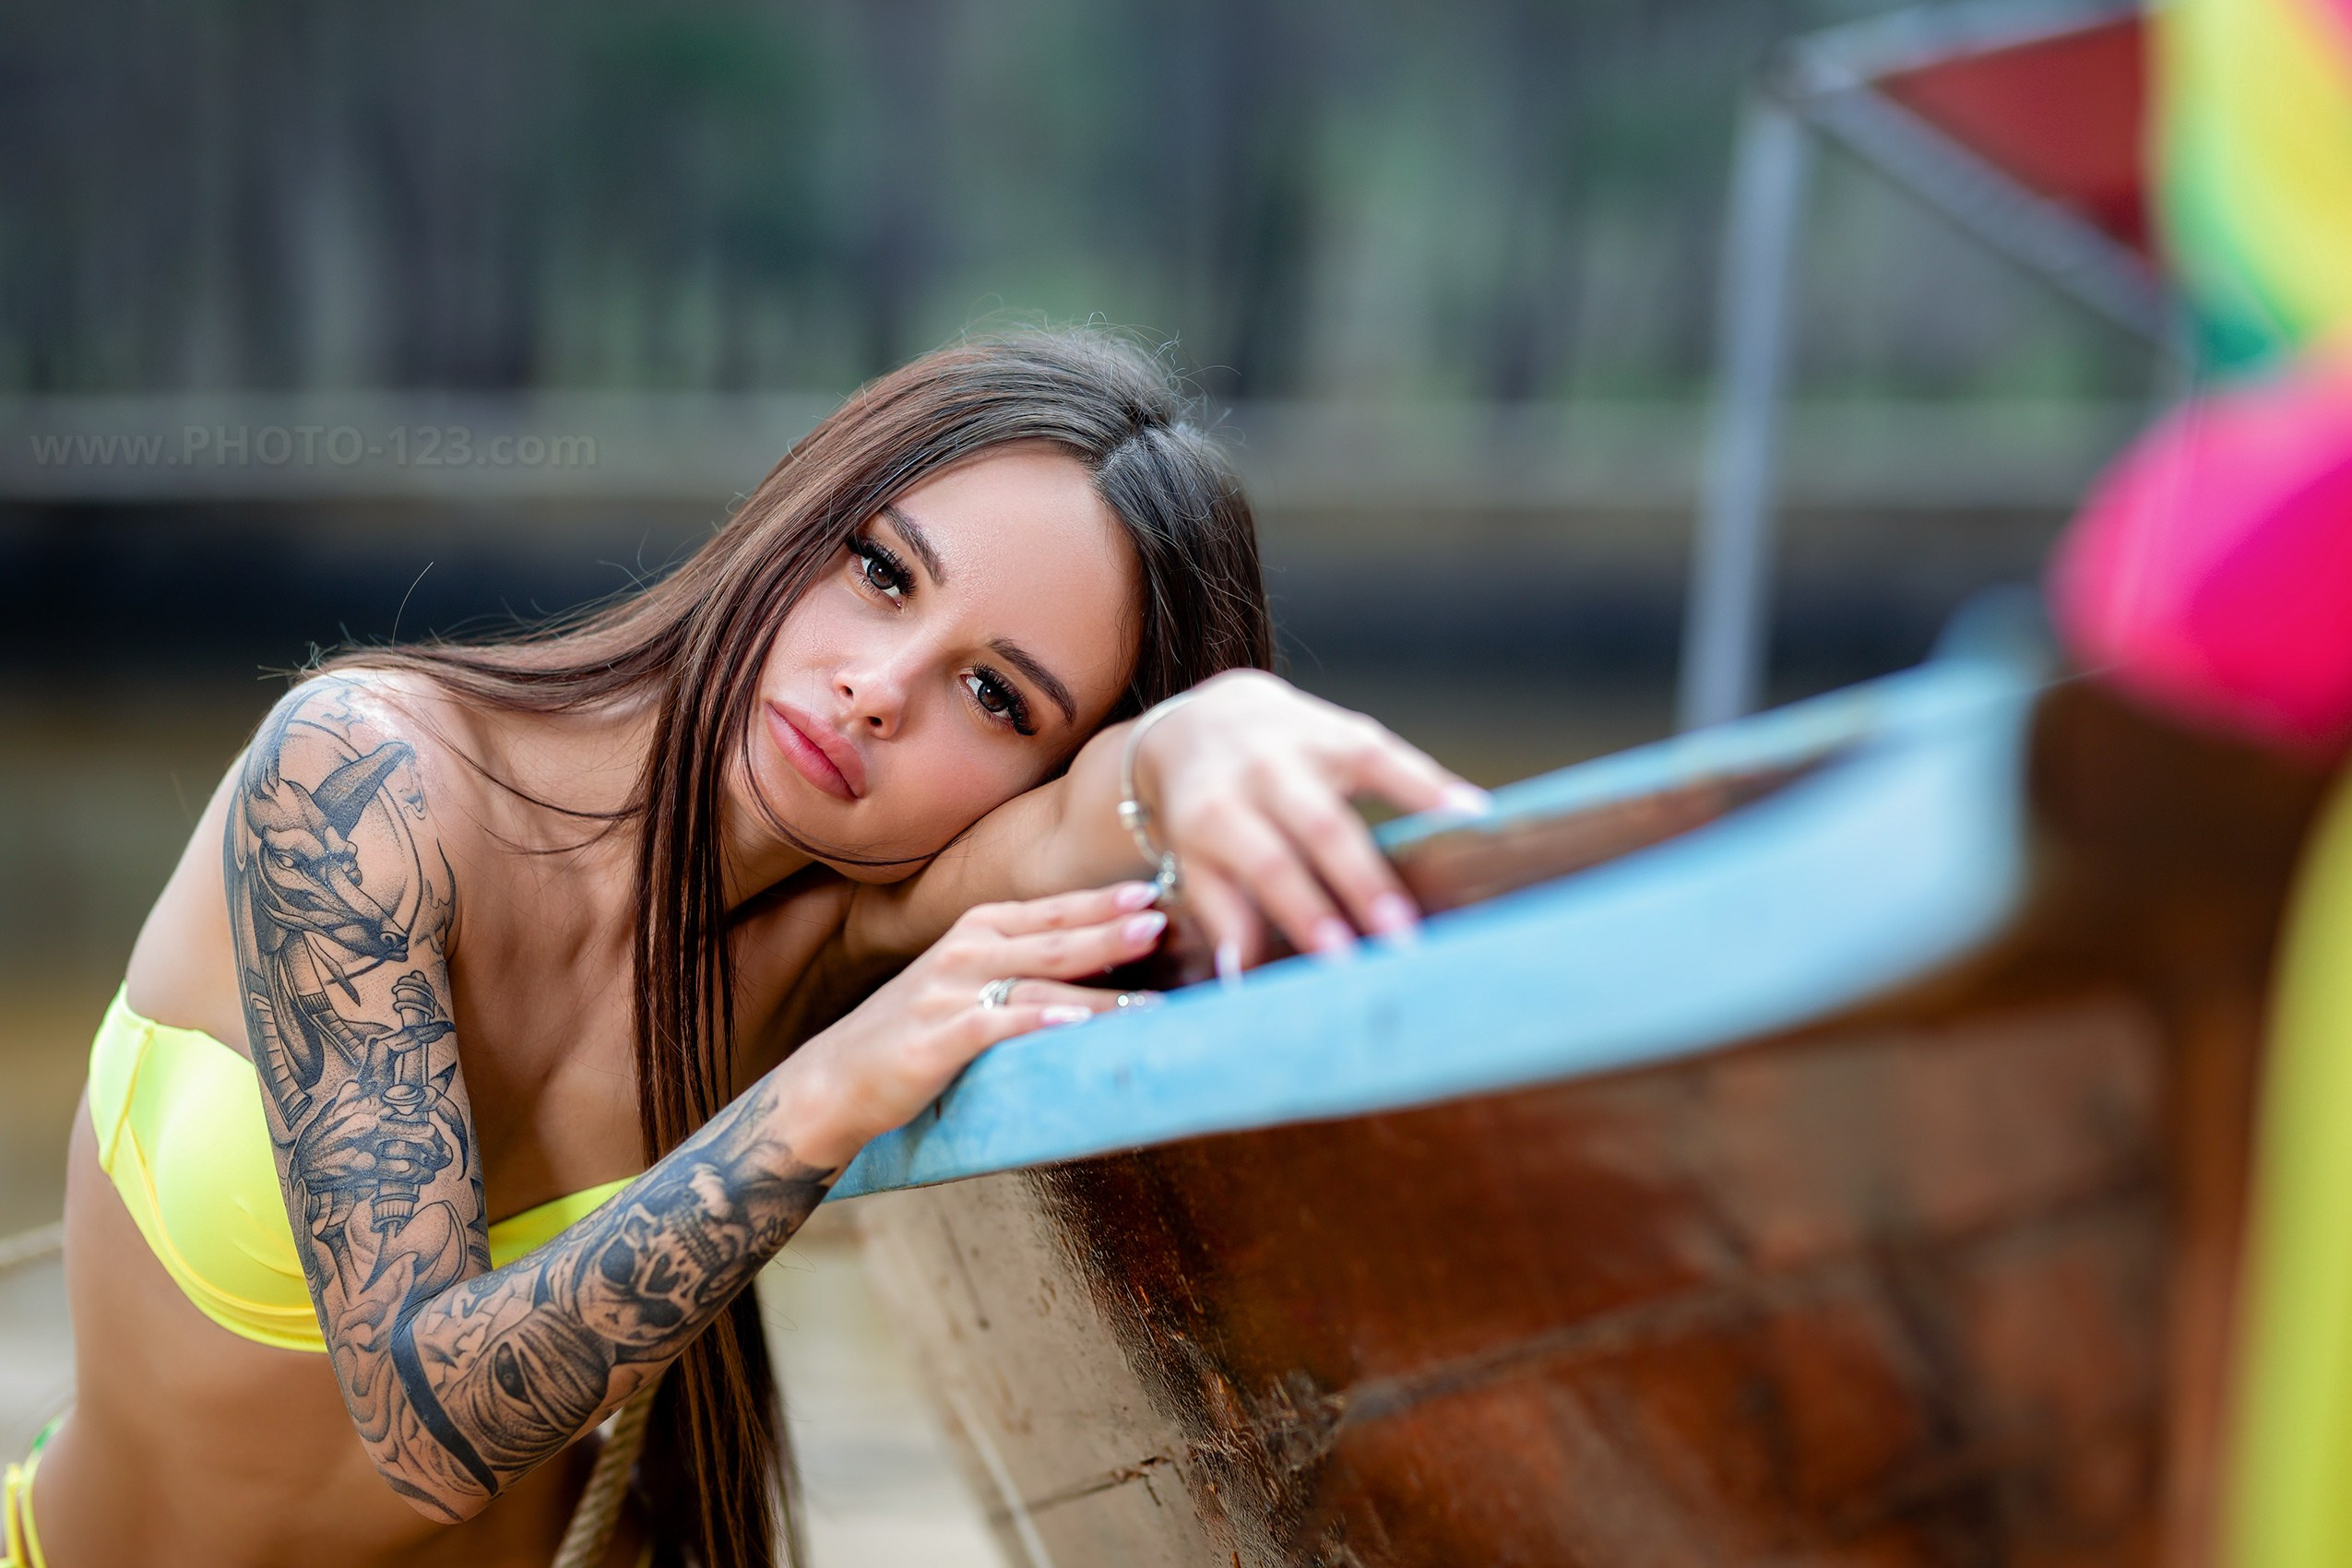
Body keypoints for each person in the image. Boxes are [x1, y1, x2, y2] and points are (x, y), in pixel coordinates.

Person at [8, 329, 1483, 1568]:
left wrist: (1204, 736)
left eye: (995, 696)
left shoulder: (847, 932)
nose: (876, 690)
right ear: (799, 515)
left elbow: (1093, 826)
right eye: (884, 574)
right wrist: (830, 1091)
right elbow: (423, 1424)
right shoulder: (366, 783)